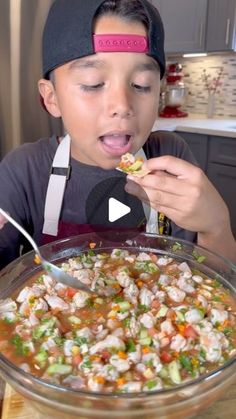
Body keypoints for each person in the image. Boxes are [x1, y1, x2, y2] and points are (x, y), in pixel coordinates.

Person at [0, 0, 235, 270]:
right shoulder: (24, 171)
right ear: (52, 98)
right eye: (93, 84)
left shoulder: (171, 156)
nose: (122, 105)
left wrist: (216, 225)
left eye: (141, 85)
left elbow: (211, 283)